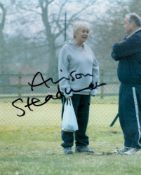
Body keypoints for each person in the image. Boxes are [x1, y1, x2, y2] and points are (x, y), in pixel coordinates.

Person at [58, 21, 99, 155]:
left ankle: (82, 145)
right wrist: (65, 88)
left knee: (83, 120)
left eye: (87, 31)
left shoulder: (88, 49)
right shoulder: (66, 49)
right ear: (75, 33)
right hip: (71, 92)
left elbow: (95, 67)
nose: (86, 34)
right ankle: (67, 145)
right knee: (69, 119)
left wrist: (94, 86)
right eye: (83, 31)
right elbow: (62, 69)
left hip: (86, 91)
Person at [111, 13, 141, 155]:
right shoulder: (129, 39)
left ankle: (137, 145)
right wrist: (117, 49)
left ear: (133, 24)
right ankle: (128, 145)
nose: (124, 25)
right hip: (125, 83)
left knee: (133, 114)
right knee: (124, 114)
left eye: (125, 23)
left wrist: (116, 47)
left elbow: (117, 49)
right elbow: (115, 55)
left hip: (134, 83)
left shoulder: (138, 38)